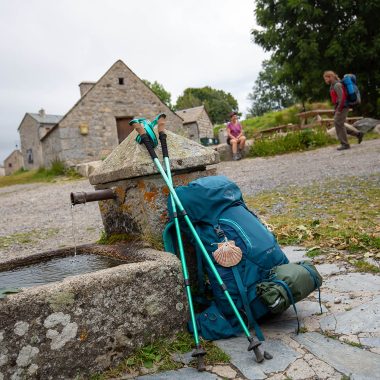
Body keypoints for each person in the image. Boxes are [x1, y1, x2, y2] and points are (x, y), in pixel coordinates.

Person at [323, 70, 363, 150]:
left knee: (338, 122)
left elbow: (342, 98)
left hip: (343, 107)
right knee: (339, 123)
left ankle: (345, 144)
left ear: (330, 77)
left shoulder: (337, 85)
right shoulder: (332, 85)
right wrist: (335, 109)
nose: (325, 80)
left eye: (326, 78)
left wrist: (338, 110)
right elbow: (337, 99)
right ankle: (358, 134)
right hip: (340, 107)